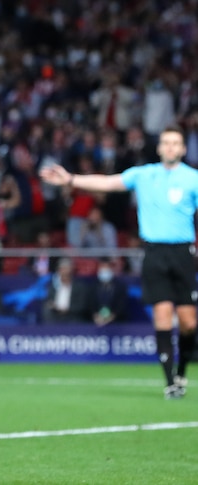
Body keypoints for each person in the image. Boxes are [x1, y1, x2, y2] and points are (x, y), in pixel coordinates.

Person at [41, 124, 198, 399]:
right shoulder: (145, 174)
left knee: (188, 322)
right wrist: (71, 179)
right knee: (162, 315)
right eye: (166, 143)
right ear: (160, 148)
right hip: (154, 253)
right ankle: (171, 380)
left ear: (183, 148)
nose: (171, 147)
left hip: (183, 253)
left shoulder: (192, 179)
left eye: (176, 143)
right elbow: (108, 182)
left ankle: (183, 368)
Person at [86, 258, 129, 327]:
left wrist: (111, 317)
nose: (105, 270)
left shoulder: (120, 287)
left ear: (111, 269)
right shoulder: (92, 286)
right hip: (96, 322)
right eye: (103, 267)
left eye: (107, 267)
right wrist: (95, 316)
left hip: (116, 323)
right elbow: (89, 304)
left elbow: (122, 305)